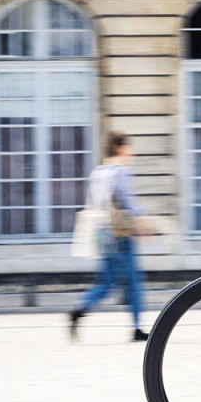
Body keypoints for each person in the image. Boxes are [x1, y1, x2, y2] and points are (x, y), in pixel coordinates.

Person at [70, 131, 149, 342]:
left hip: (103, 235)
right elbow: (129, 203)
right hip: (121, 235)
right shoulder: (121, 172)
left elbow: (93, 204)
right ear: (118, 148)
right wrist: (142, 226)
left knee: (106, 283)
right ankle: (136, 328)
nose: (131, 152)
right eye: (128, 146)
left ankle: (79, 309)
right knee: (133, 283)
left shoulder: (98, 173)